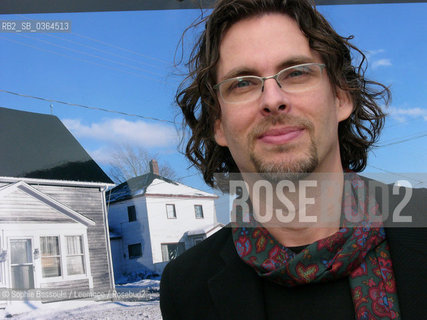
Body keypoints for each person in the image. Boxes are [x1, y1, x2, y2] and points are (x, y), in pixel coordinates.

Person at [160, 0, 427, 319]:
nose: (273, 99)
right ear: (218, 123)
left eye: (297, 72)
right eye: (243, 82)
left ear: (341, 97)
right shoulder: (186, 287)